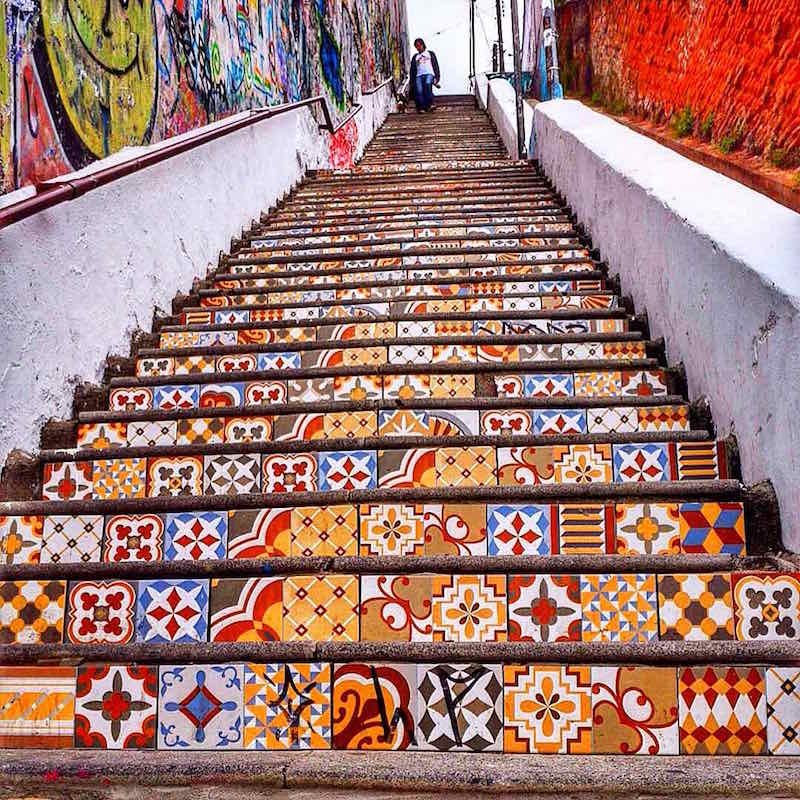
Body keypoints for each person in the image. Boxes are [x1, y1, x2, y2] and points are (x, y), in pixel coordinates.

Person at [409, 38, 440, 113]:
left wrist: (437, 77)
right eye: (416, 46)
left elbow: (435, 65)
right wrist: (412, 81)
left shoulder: (430, 53)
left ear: (423, 45)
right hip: (418, 75)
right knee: (419, 90)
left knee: (427, 84)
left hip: (429, 73)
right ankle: (421, 108)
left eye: (420, 45)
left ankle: (431, 103)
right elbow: (412, 70)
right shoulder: (415, 57)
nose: (418, 47)